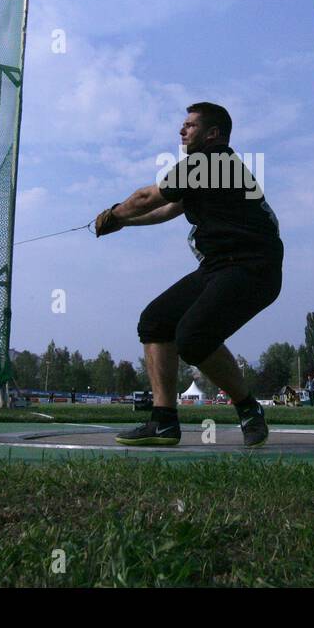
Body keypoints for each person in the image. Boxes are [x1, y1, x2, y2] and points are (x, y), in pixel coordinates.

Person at [94, 103, 283, 448]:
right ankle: (163, 422)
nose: (182, 131)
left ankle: (249, 409)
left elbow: (147, 196)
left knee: (193, 338)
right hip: (219, 266)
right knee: (155, 321)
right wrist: (122, 223)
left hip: (253, 267)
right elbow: (167, 208)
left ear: (213, 134)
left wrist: (114, 213)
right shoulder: (207, 173)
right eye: (182, 125)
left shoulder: (212, 162)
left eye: (190, 125)